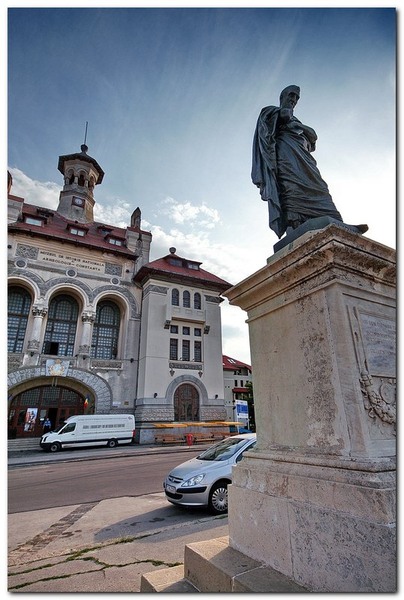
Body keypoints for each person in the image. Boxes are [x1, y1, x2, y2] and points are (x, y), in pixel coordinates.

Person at [252, 85, 344, 239]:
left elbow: (313, 136)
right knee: (292, 187)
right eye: (291, 95)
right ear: (282, 97)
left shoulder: (297, 122)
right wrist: (289, 117)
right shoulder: (270, 111)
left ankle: (332, 218)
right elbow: (285, 115)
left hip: (305, 160)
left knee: (319, 186)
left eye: (296, 97)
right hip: (286, 158)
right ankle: (295, 223)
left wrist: (299, 125)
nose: (294, 99)